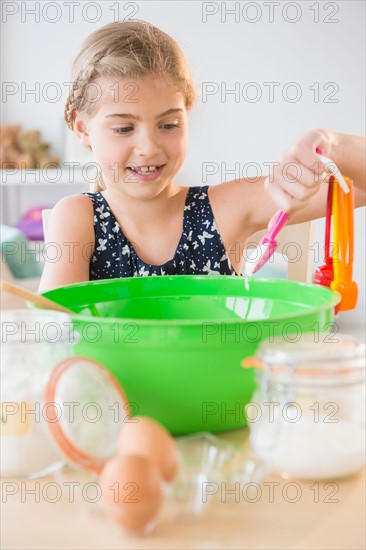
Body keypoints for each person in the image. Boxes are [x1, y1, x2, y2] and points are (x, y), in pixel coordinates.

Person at [38, 20, 366, 292]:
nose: (149, 147)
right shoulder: (79, 218)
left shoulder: (227, 206)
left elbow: (359, 189)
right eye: (124, 128)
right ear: (83, 129)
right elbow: (55, 329)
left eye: (168, 124)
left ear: (187, 116)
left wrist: (331, 144)